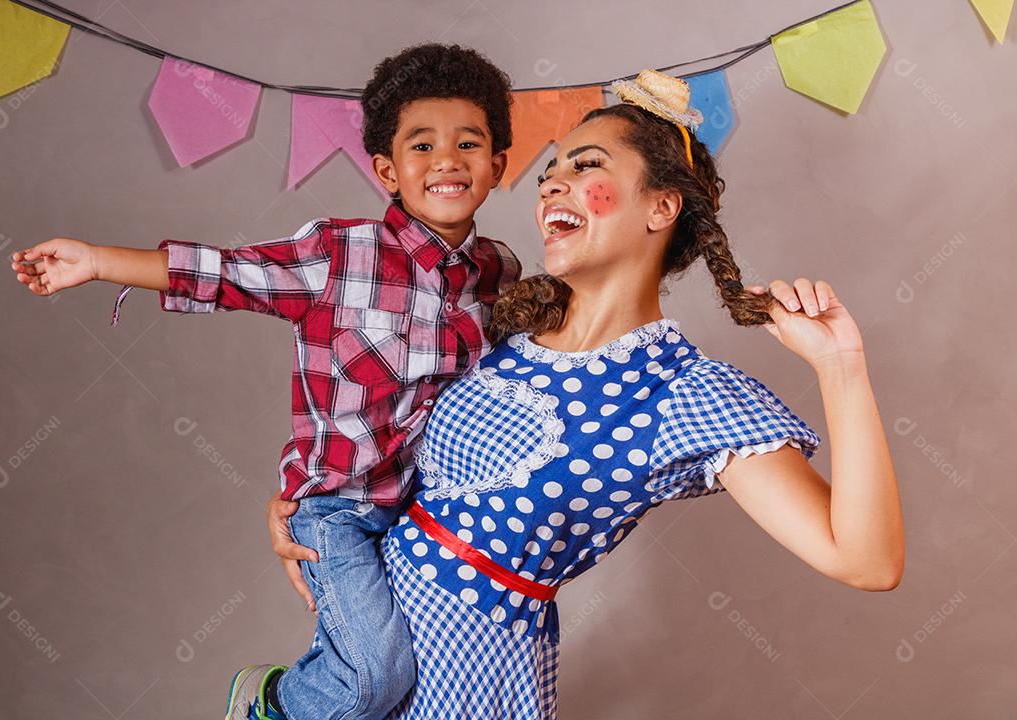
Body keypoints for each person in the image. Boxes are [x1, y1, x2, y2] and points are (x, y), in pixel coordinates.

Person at [266, 69, 904, 718]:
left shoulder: (684, 394)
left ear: (661, 207)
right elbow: (364, 417)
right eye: (550, 173)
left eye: (586, 165)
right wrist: (311, 502)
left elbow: (866, 562)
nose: (551, 185)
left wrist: (841, 365)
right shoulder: (497, 314)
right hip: (361, 662)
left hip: (474, 677)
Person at [9, 43, 521, 720]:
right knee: (377, 673)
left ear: (498, 165)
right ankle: (267, 703)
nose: (447, 160)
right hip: (337, 511)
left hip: (431, 513)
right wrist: (99, 260)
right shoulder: (344, 253)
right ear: (386, 169)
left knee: (435, 682)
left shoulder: (504, 276)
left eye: (469, 142)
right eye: (421, 146)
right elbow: (227, 274)